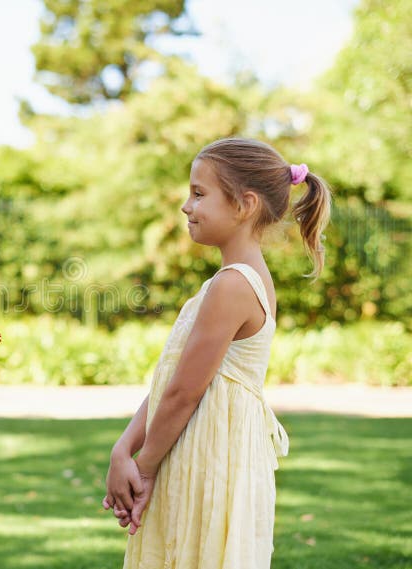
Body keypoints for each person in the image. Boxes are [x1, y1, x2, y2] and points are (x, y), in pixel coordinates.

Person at [103, 137, 331, 568]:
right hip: (197, 447)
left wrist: (144, 467)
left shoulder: (233, 285)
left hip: (209, 457)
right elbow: (175, 381)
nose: (187, 206)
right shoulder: (229, 281)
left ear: (244, 205)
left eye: (199, 194)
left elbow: (184, 393)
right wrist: (124, 447)